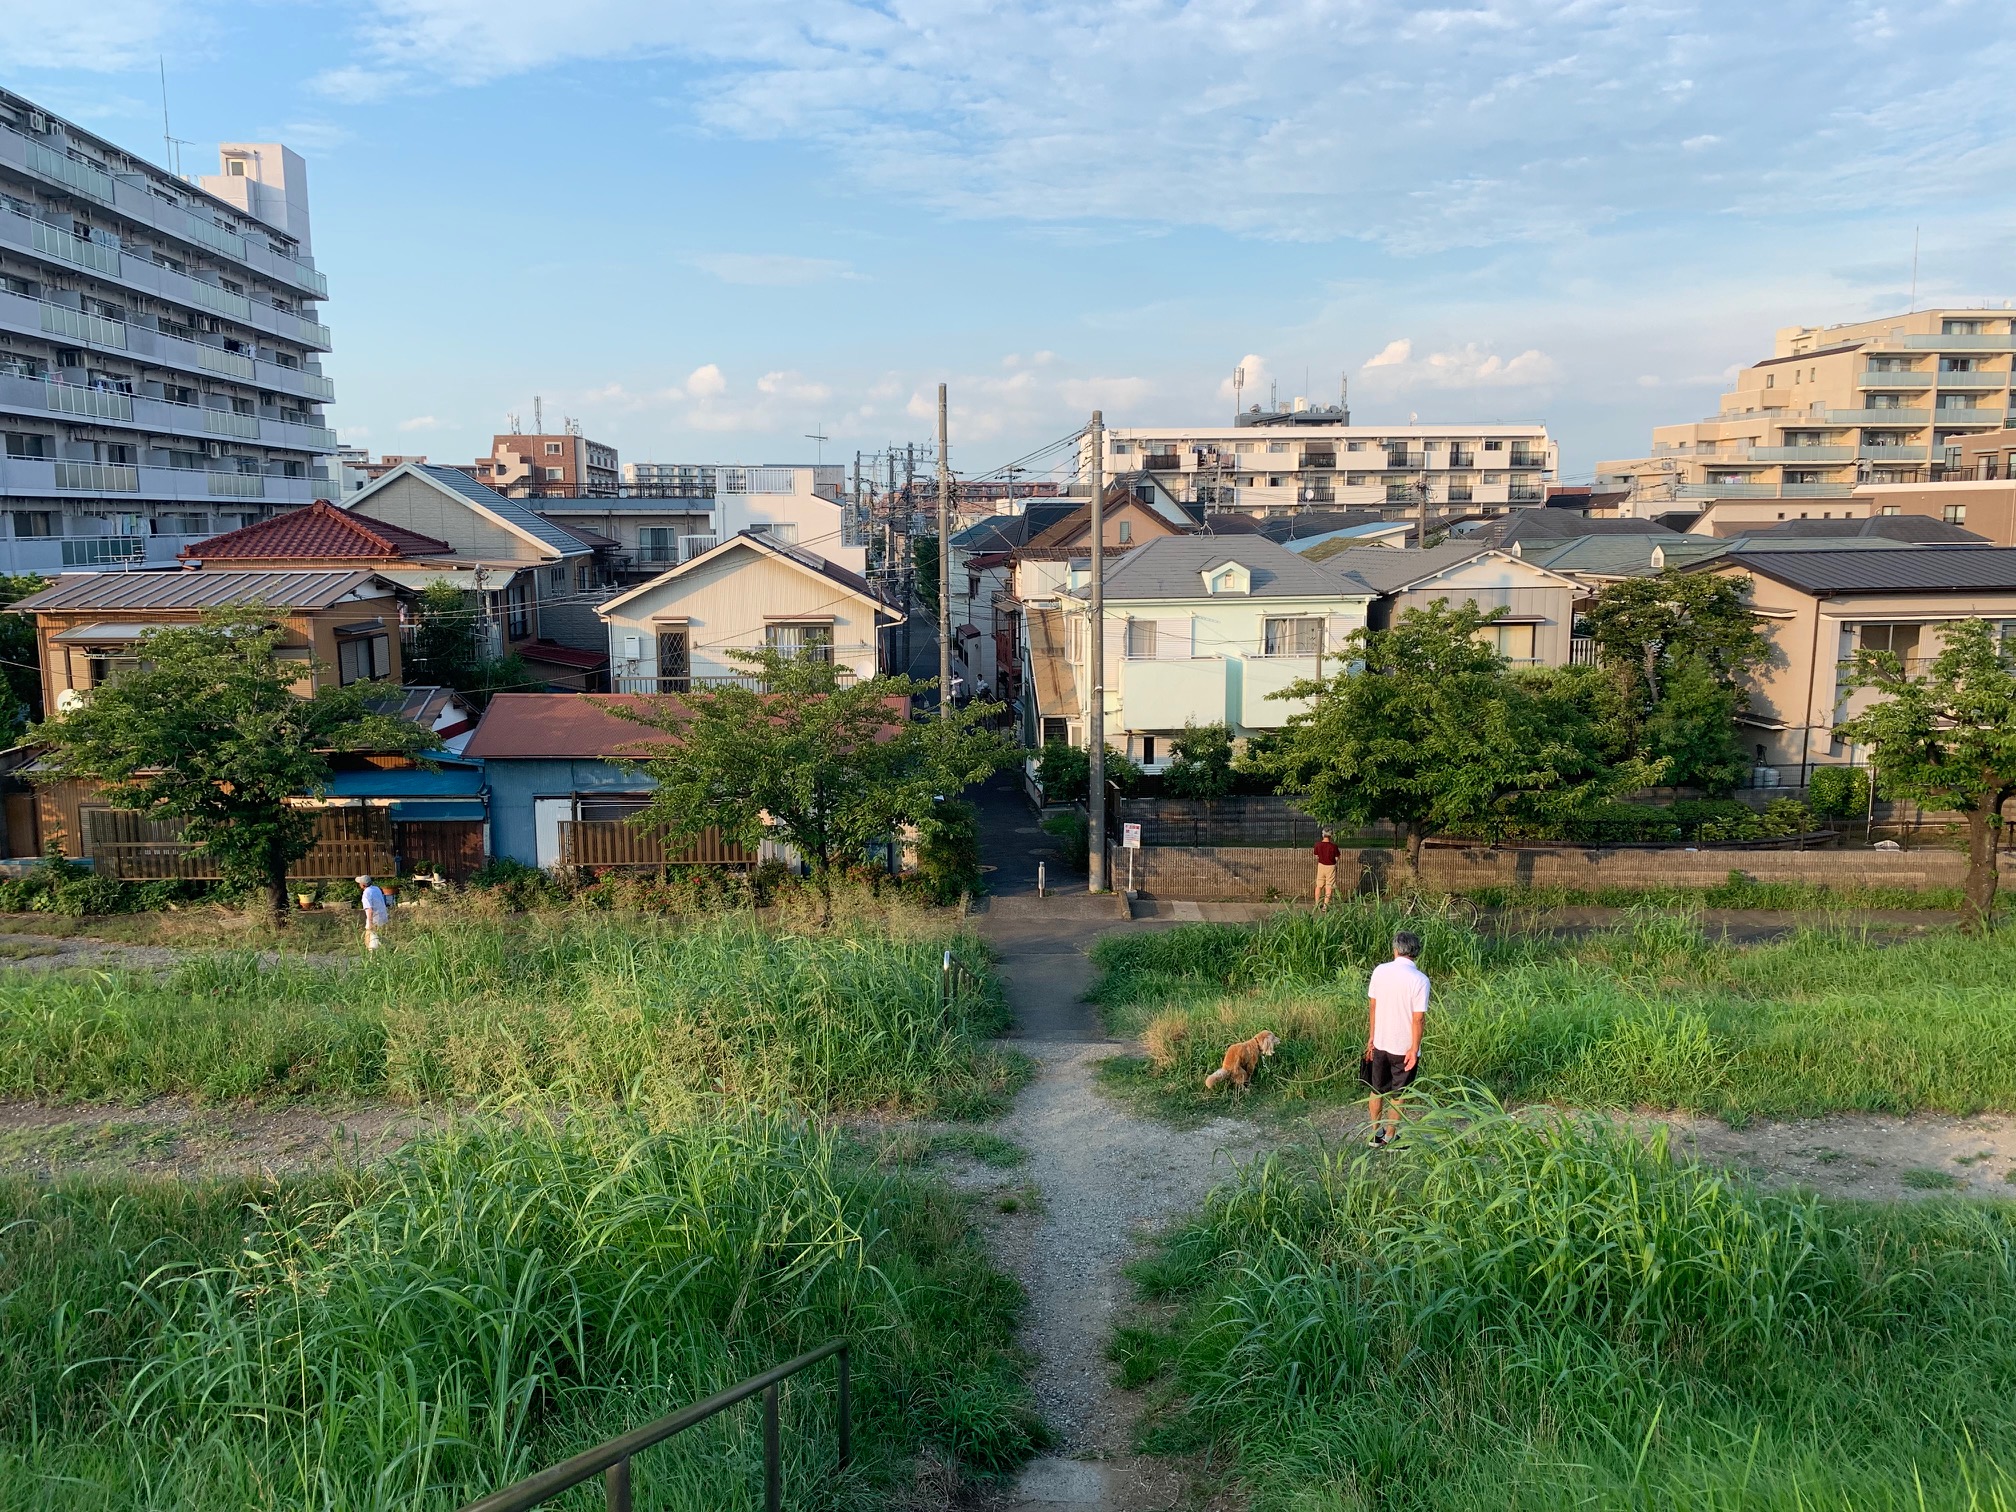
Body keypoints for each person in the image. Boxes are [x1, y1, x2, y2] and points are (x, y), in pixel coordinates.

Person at [1361, 930, 1428, 1146]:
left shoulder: (1380, 971)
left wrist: (1372, 1037)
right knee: (1400, 1094)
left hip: (1380, 1042)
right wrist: (1414, 1049)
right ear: (1416, 952)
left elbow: (1373, 1006)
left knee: (1376, 1090)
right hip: (1404, 1048)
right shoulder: (1420, 980)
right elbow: (1418, 1019)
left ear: (1395, 950)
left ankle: (1374, 1134)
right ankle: (1390, 1137)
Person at [357, 874, 390, 952]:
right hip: (383, 917)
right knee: (381, 937)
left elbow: (369, 910)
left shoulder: (366, 894)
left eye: (360, 883)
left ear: (363, 885)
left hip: (375, 919)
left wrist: (370, 923)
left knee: (370, 940)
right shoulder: (376, 888)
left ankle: (372, 956)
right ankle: (387, 952)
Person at [1312, 829, 1342, 905]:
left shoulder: (1317, 845)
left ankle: (1316, 904)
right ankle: (1325, 906)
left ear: (1323, 835)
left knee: (1319, 885)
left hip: (1321, 866)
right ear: (1331, 835)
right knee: (1329, 886)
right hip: (1331, 867)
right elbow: (1337, 857)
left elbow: (1316, 856)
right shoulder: (1334, 846)